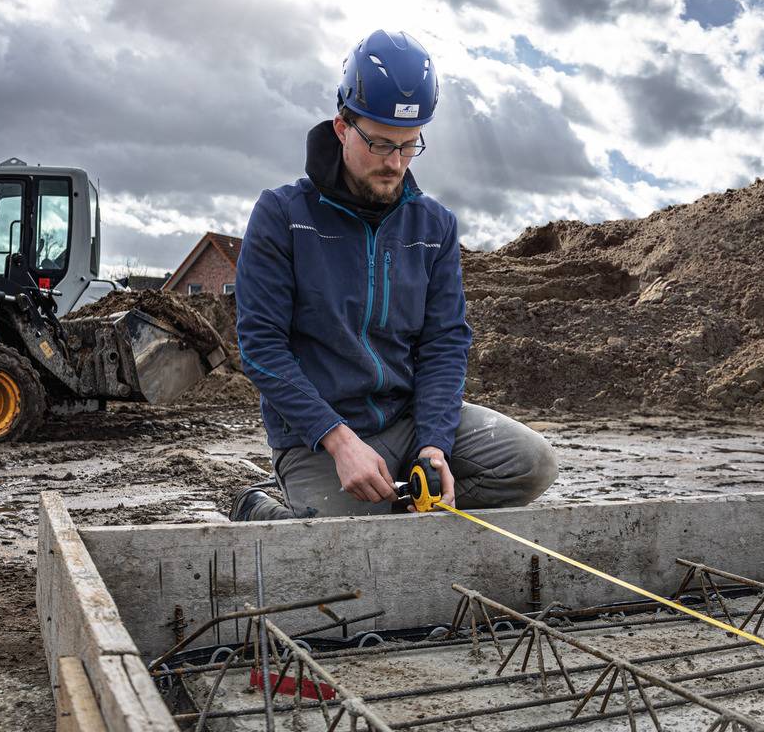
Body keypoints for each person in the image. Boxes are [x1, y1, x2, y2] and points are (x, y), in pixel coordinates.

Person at [231, 29, 556, 521]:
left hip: (407, 422)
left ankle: (393, 498)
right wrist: (340, 442)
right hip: (318, 435)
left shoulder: (434, 226)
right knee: (344, 548)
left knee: (532, 464)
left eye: (408, 147)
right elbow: (261, 346)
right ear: (342, 127)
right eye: (380, 144)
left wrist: (435, 445)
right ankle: (259, 507)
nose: (394, 163)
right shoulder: (283, 215)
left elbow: (444, 341)